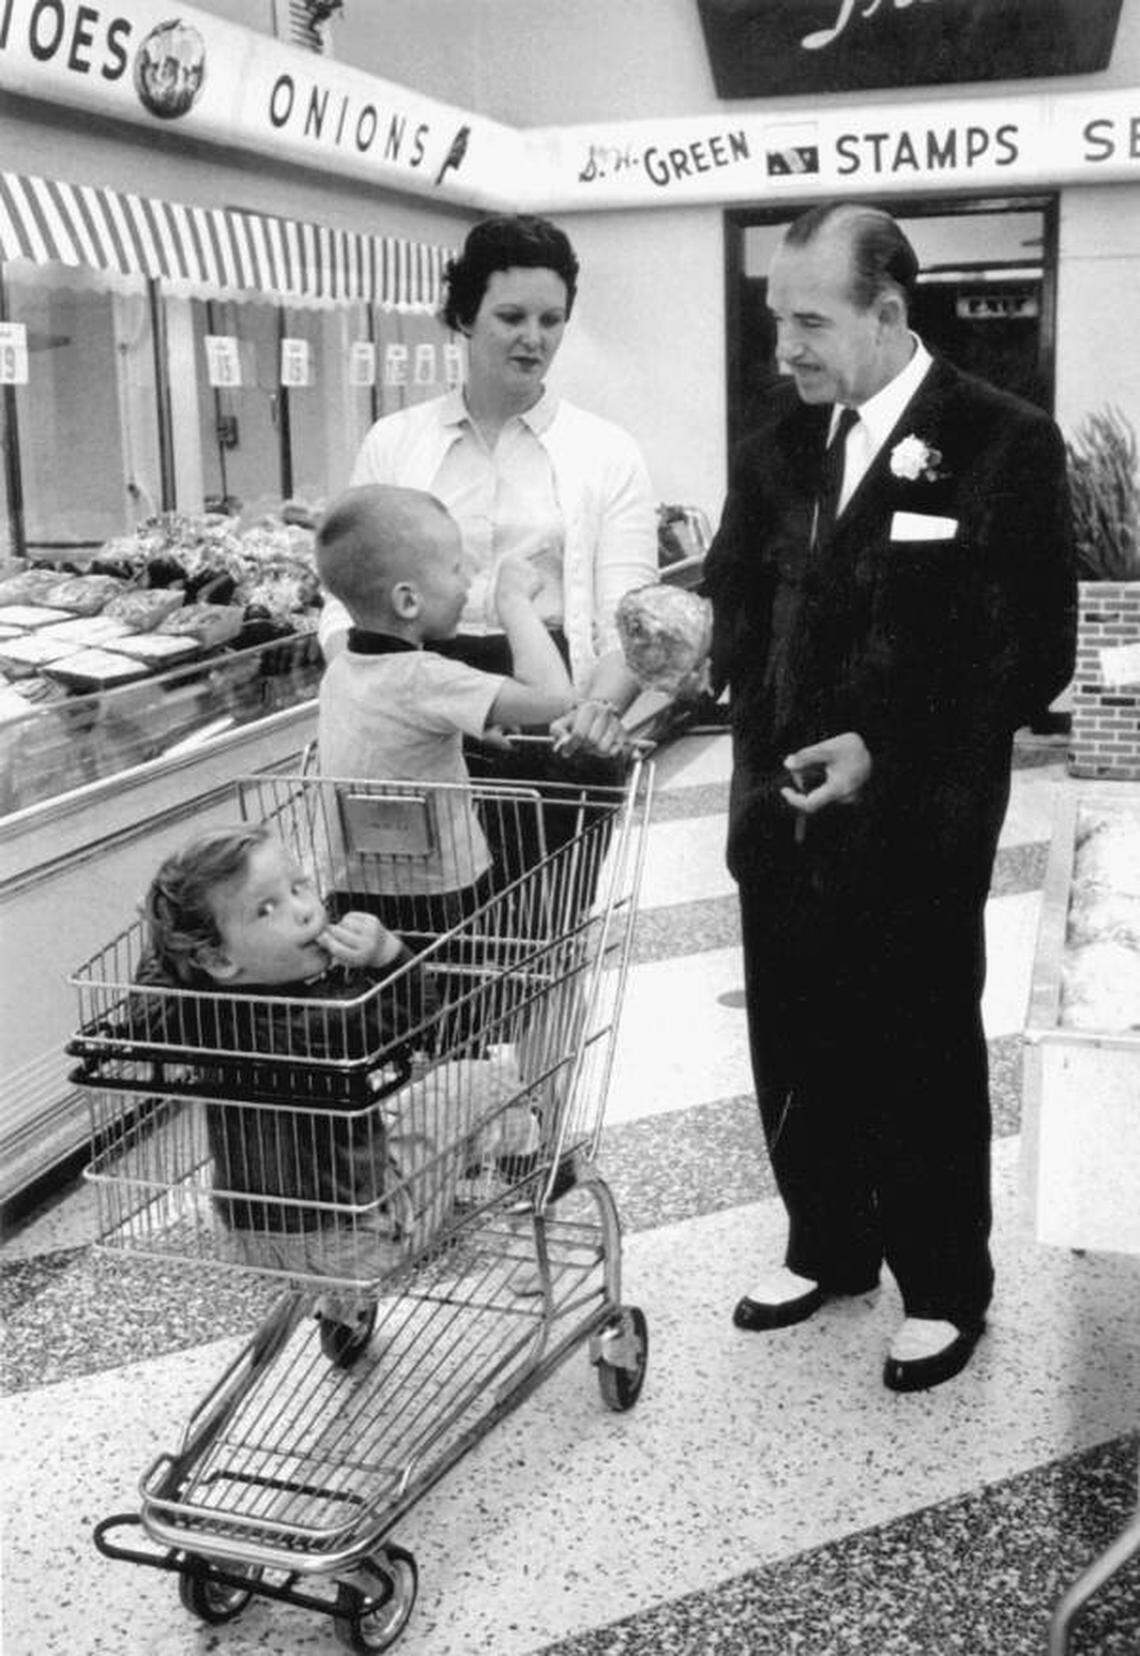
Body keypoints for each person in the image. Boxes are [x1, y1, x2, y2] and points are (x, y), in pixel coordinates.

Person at [702, 201, 1076, 1393]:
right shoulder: (776, 442)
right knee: (796, 1034)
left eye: (808, 322)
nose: (786, 351)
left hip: (918, 811)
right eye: (777, 322)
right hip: (780, 806)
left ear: (887, 312)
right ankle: (829, 1242)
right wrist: (656, 666)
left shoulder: (1000, 441)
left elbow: (1035, 653)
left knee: (914, 1040)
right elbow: (732, 602)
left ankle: (944, 1285)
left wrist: (887, 747)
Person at [317, 211, 659, 763]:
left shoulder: (607, 451)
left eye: (551, 320)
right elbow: (344, 595)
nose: (534, 338)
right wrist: (371, 689)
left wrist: (597, 711)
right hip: (416, 702)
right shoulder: (395, 441)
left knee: (546, 852)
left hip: (553, 710)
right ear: (465, 317)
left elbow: (628, 618)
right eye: (511, 316)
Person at [142, 823, 465, 1369]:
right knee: (466, 1089)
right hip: (355, 1237)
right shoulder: (327, 1018)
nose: (305, 911)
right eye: (266, 909)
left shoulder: (191, 1014)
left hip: (247, 1237)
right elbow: (415, 1015)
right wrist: (388, 956)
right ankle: (530, 1152)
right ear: (219, 960)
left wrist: (164, 937)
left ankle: (344, 1308)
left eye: (299, 886)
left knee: (385, 1132)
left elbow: (149, 998)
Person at [314, 481, 575, 927]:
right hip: (440, 896)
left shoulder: (342, 669)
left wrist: (470, 721)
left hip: (348, 887)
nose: (469, 582)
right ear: (408, 600)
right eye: (457, 570)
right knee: (460, 990)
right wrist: (513, 604)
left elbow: (389, 729)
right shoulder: (428, 676)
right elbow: (553, 697)